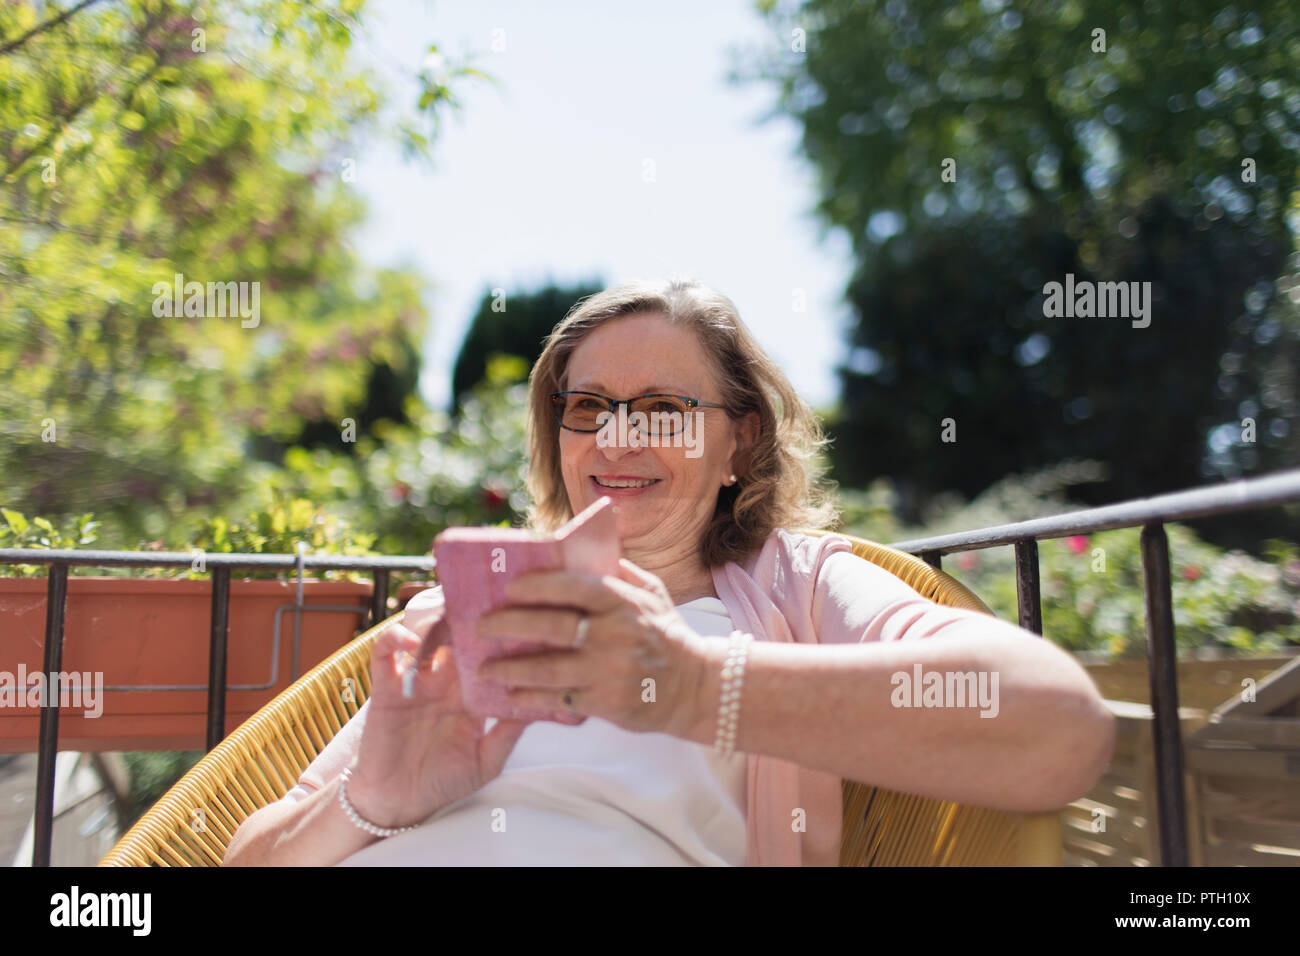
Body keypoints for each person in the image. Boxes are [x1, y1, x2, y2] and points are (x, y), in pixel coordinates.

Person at [223, 277, 1115, 866]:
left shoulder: (793, 585)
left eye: (663, 409)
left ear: (741, 439)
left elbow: (1058, 728)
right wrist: (375, 800)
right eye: (588, 408)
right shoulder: (482, 607)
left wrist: (689, 686)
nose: (616, 440)